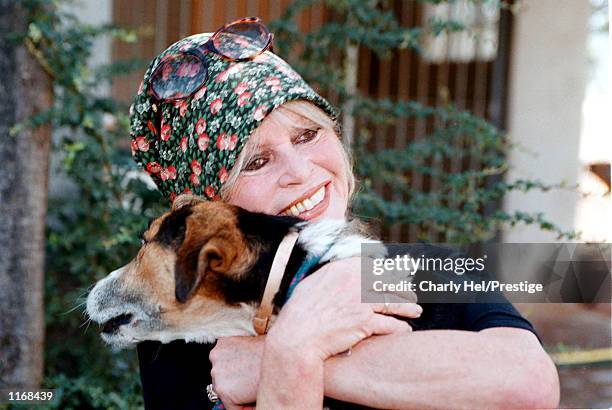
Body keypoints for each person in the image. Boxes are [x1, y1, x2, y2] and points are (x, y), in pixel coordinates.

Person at [130, 18, 559, 410]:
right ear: (212, 212)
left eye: (308, 134)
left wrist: (284, 357)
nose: (300, 172)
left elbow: (529, 384)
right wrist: (297, 353)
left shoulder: (424, 268)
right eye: (256, 162)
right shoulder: (183, 336)